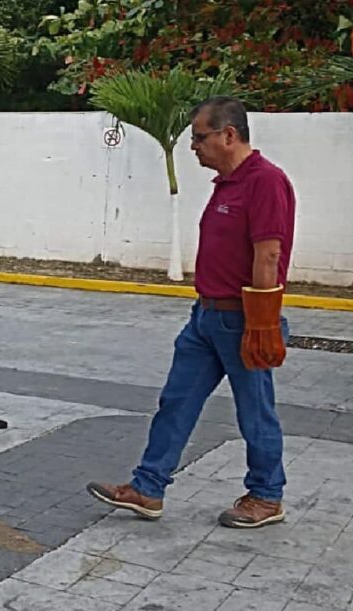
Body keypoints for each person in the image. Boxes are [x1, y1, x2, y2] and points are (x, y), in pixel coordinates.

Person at [87, 96, 295, 529]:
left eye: (200, 137)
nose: (193, 146)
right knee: (176, 402)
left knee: (255, 412)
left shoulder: (265, 181)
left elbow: (269, 254)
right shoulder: (227, 184)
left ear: (229, 135)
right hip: (206, 317)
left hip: (242, 318)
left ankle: (266, 496)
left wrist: (261, 323)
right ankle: (148, 487)